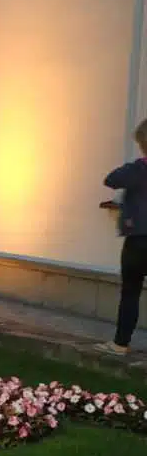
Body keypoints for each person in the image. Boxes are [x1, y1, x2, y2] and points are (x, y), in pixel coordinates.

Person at [100, 118, 147, 354]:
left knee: (130, 291)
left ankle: (120, 343)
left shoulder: (138, 170)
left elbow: (111, 179)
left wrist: (139, 163)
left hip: (138, 239)